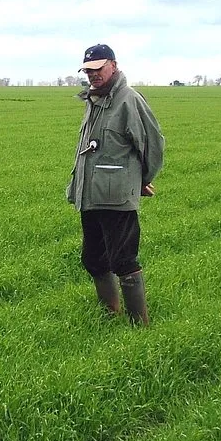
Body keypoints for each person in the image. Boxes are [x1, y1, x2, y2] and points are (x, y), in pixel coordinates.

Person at [66, 44, 165, 326]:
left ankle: (139, 325)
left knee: (123, 260)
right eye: (88, 70)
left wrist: (141, 180)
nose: (92, 75)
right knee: (93, 258)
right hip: (91, 194)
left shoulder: (128, 100)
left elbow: (153, 146)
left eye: (98, 69)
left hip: (117, 197)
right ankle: (109, 312)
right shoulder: (94, 100)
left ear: (113, 65)